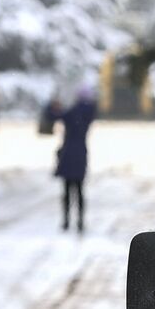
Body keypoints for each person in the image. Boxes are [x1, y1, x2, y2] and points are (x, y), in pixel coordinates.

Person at [47, 86, 96, 232]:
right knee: (80, 190)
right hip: (81, 153)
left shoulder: (72, 112)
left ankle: (66, 221)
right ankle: (80, 221)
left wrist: (51, 104)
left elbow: (53, 116)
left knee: (67, 191)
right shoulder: (89, 113)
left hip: (68, 153)